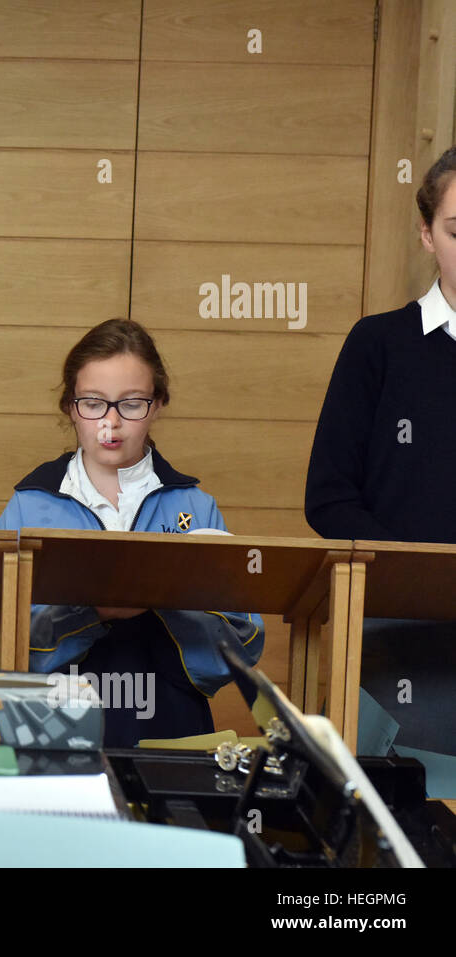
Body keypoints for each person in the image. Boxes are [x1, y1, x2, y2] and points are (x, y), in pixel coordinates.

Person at [0, 319, 263, 748]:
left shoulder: (195, 505)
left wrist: (164, 600)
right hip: (55, 726)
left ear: (158, 403)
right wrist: (91, 613)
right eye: (93, 403)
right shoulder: (30, 505)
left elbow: (244, 641)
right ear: (70, 406)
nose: (111, 422)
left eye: (131, 404)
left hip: (170, 724)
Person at [306, 145, 456, 770]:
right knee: (401, 828)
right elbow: (329, 498)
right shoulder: (380, 344)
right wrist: (414, 576)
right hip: (397, 638)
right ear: (426, 234)